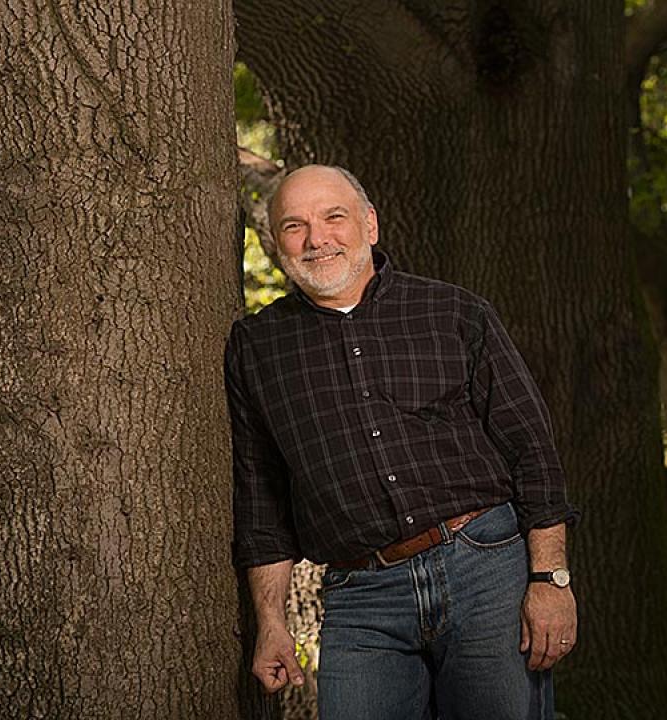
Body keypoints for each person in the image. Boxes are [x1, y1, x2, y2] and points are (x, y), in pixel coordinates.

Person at [225, 164, 579, 720]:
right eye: (295, 225)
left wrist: (550, 580)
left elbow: (531, 450)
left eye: (333, 217)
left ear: (369, 224)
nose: (317, 238)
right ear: (276, 244)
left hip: (484, 571)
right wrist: (271, 623)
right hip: (360, 596)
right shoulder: (256, 347)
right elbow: (261, 497)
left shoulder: (455, 312)